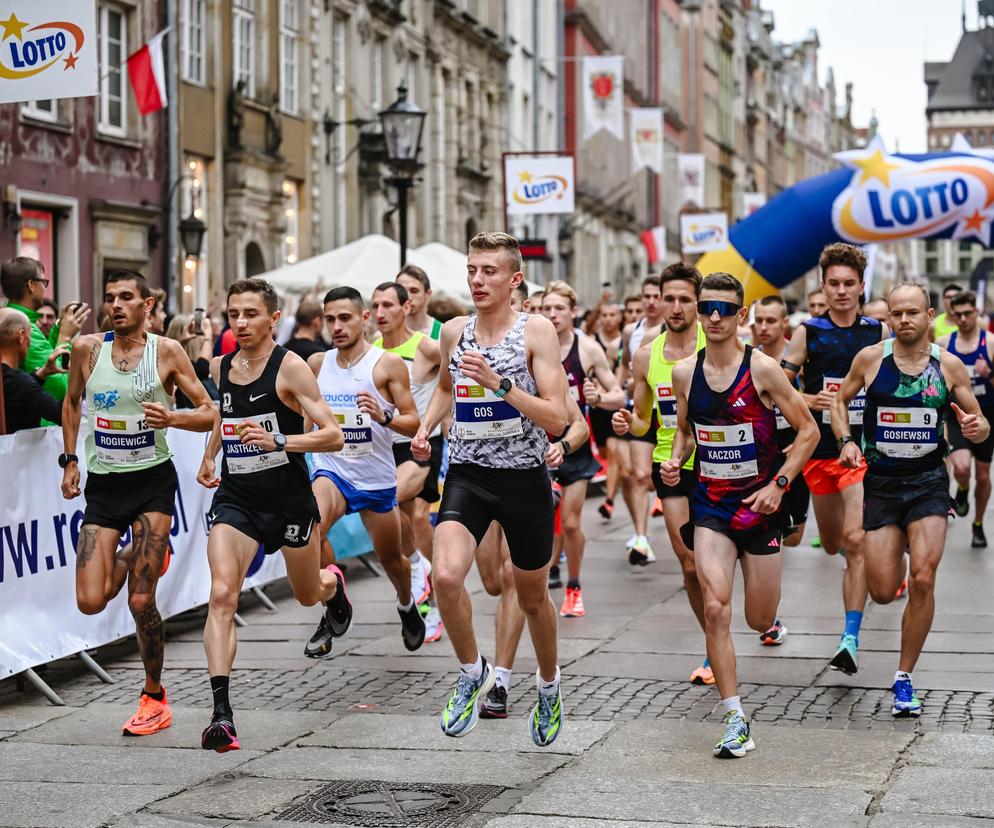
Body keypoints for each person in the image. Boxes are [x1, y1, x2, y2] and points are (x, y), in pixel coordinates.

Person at [411, 231, 567, 746]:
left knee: (531, 598)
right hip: (469, 474)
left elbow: (558, 417)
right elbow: (445, 389)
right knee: (448, 576)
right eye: (473, 271)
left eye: (490, 271)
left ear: (515, 279)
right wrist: (425, 427)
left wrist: (501, 385)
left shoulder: (535, 332)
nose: (478, 280)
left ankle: (548, 685)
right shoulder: (455, 332)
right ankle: (470, 670)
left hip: (523, 479)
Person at [661, 272, 818, 758]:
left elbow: (808, 432)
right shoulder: (685, 372)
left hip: (760, 506)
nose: (713, 317)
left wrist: (779, 485)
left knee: (757, 617)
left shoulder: (765, 370)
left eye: (725, 309)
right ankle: (735, 716)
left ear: (741, 316)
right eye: (708, 307)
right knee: (714, 606)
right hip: (709, 504)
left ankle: (769, 619)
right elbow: (687, 430)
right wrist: (675, 459)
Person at [60, 268, 217, 736]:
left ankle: (153, 694)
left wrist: (173, 417)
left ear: (147, 305)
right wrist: (70, 459)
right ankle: (130, 555)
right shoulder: (88, 350)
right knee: (90, 601)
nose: (116, 304)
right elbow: (71, 403)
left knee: (142, 598)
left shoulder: (165, 352)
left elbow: (210, 411)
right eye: (110, 297)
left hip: (152, 483)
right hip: (105, 486)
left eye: (127, 297)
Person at [198, 277, 345, 752]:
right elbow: (224, 415)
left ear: (273, 319)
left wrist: (281, 440)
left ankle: (333, 586)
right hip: (238, 498)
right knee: (222, 594)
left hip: (288, 500)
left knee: (307, 594)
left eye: (250, 314)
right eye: (233, 313)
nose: (239, 323)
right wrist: (209, 454)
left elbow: (332, 435)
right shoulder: (221, 367)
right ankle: (222, 714)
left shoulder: (291, 368)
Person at [832, 283, 989, 717]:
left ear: (929, 314)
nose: (903, 320)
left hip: (927, 484)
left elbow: (979, 422)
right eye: (896, 313)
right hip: (881, 484)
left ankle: (903, 676)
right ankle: (892, 552)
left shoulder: (949, 366)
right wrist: (845, 440)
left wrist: (977, 431)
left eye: (912, 313)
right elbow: (839, 402)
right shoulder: (870, 359)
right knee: (883, 590)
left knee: (922, 577)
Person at [303, 286, 426, 658]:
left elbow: (413, 422)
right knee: (312, 529)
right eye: (330, 319)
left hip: (375, 477)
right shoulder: (317, 365)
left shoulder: (386, 364)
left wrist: (384, 415)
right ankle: (335, 598)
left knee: (393, 561)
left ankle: (406, 603)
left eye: (345, 318)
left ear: (364, 319)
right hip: (332, 469)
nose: (337, 327)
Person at [782, 243, 887, 675]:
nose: (842, 291)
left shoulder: (877, 333)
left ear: (862, 287)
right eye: (834, 284)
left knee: (856, 538)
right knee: (832, 543)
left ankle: (849, 638)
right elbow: (778, 389)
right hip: (820, 453)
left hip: (863, 449)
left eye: (849, 284)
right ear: (822, 286)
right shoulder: (809, 331)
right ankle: (859, 556)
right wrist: (815, 399)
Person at [613, 262, 717, 683]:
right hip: (669, 466)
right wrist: (628, 424)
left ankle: (738, 620)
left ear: (698, 303)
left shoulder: (719, 345)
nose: (674, 307)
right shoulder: (645, 356)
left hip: (719, 464)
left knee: (720, 562)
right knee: (691, 565)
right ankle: (714, 644)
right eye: (668, 298)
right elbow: (642, 421)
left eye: (683, 299)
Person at [481, 393, 590, 719]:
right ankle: (533, 598)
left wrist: (563, 446)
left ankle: (500, 682)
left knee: (510, 576)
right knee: (491, 583)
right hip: (478, 476)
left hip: (525, 480)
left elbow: (579, 426)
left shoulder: (533, 360)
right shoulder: (467, 356)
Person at [540, 281, 624, 616]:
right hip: (537, 447)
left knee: (572, 523)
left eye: (559, 308)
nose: (552, 314)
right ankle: (548, 571)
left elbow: (618, 394)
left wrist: (598, 399)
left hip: (574, 446)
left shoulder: (586, 349)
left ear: (573, 312)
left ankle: (574, 586)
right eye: (546, 308)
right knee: (546, 520)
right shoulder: (529, 345)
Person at [372, 282, 444, 641]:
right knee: (395, 519)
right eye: (375, 306)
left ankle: (433, 590)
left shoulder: (426, 347)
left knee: (412, 512)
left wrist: (444, 421)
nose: (380, 313)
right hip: (383, 446)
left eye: (388, 305)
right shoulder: (370, 352)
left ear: (407, 306)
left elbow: (452, 384)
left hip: (421, 443)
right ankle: (419, 565)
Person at [938, 290, 994, 548]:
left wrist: (989, 373)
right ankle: (961, 489)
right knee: (961, 468)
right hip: (956, 414)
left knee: (983, 476)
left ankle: (978, 524)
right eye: (957, 314)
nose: (962, 318)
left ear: (976, 312)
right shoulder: (944, 344)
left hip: (986, 415)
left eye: (967, 313)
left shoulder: (990, 343)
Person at [617, 276, 666, 563]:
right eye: (646, 296)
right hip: (640, 407)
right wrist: (619, 388)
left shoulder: (668, 332)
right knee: (639, 475)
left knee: (656, 477)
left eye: (655, 296)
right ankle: (641, 537)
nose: (650, 301)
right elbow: (625, 368)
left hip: (668, 411)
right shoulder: (630, 331)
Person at [1, 256, 89, 404]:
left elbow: (44, 357)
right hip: (36, 424)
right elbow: (62, 388)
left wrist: (59, 328)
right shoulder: (23, 329)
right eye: (43, 282)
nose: (44, 289)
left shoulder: (12, 320)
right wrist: (65, 336)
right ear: (31, 285)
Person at [0, 308, 66, 432]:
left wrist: (42, 374)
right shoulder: (19, 382)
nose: (29, 343)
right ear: (20, 336)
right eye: (29, 335)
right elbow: (63, 415)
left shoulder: (12, 381)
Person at [590, 302, 626, 521]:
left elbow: (615, 378)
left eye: (613, 314)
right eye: (605, 314)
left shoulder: (625, 340)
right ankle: (618, 479)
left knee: (613, 452)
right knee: (605, 453)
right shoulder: (593, 342)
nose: (609, 319)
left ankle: (609, 501)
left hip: (614, 404)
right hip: (596, 407)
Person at [165, 314, 218, 408]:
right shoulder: (178, 366)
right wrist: (208, 335)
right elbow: (202, 369)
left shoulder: (168, 360)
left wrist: (181, 341)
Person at [397, 264, 444, 340]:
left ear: (428, 294)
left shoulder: (443, 333)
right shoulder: (386, 333)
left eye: (414, 291)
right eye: (402, 291)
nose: (408, 297)